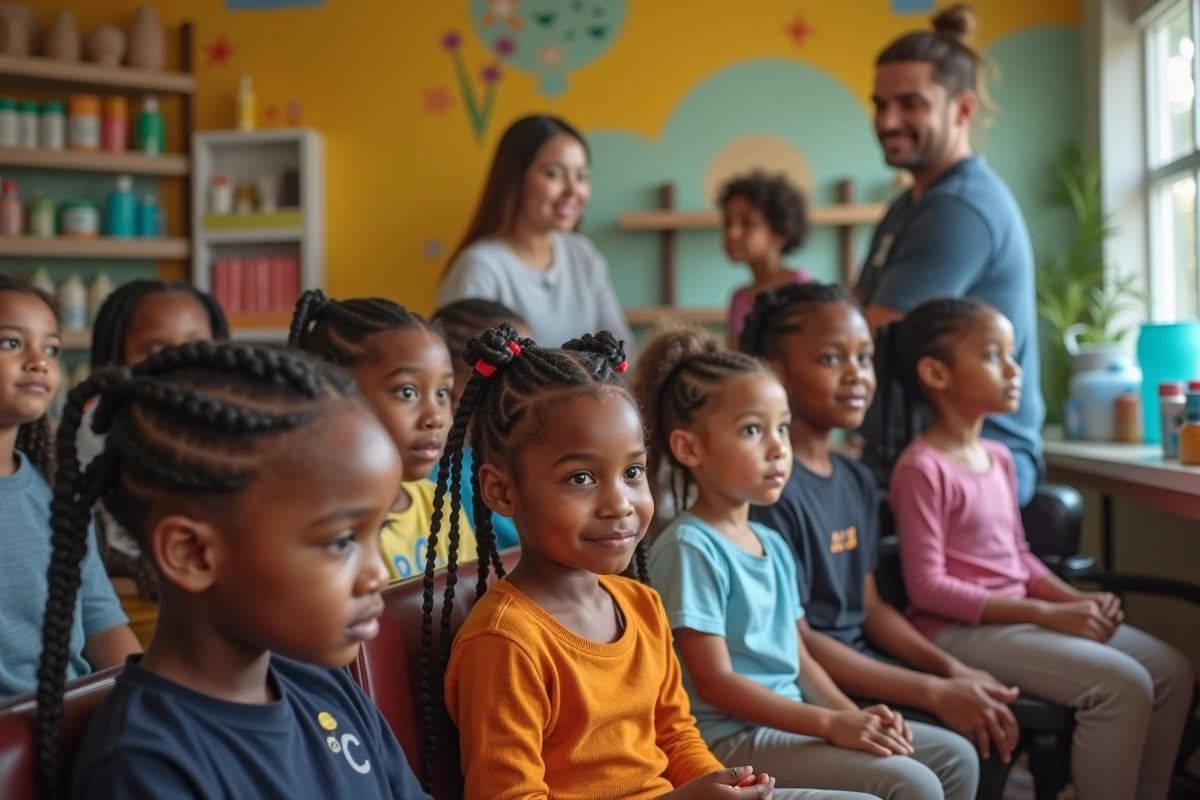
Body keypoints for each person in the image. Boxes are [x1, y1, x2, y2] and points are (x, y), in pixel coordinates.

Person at [35, 339, 430, 799]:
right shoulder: (146, 763)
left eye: (376, 533)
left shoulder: (320, 682)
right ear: (193, 554)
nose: (377, 574)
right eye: (341, 541)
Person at [423, 324, 793, 799]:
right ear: (502, 490)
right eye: (580, 478)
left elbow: (676, 737)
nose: (619, 504)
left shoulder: (641, 604)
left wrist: (720, 781)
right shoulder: (506, 644)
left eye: (633, 472)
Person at [637, 326, 974, 800]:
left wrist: (851, 717)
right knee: (911, 781)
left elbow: (799, 656)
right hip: (731, 739)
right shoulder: (691, 546)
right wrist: (832, 723)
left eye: (782, 428)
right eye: (752, 430)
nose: (778, 447)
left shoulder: (771, 542)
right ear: (690, 448)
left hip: (790, 718)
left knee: (955, 756)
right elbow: (716, 684)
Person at [890, 298, 1195, 800]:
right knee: (1122, 686)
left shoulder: (999, 457)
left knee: (1171, 672)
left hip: (1020, 617)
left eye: (1013, 355)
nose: (1014, 369)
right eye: (993, 356)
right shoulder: (921, 468)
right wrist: (1048, 615)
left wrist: (1070, 599)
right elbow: (928, 587)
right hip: (960, 631)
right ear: (935, 373)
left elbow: (1018, 556)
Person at [740, 283, 1020, 769]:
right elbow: (799, 640)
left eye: (864, 358)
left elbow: (870, 607)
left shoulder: (855, 476)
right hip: (813, 680)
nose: (856, 376)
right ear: (776, 370)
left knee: (983, 716)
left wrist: (953, 671)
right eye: (831, 359)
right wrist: (935, 692)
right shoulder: (769, 489)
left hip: (861, 659)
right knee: (957, 750)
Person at [854, 3, 1044, 506]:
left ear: (961, 110)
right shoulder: (908, 207)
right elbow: (850, 315)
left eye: (910, 104)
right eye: (880, 104)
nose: (888, 120)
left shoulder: (958, 209)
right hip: (913, 454)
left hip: (979, 461)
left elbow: (868, 338)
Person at [0, 275, 139, 701]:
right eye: (11, 343)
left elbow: (100, 619)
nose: (38, 361)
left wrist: (158, 699)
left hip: (71, 723)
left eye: (52, 349)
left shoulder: (56, 494)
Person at [289, 289, 475, 581]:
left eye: (442, 393)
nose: (435, 416)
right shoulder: (318, 525)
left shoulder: (440, 506)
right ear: (335, 395)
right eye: (407, 392)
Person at [82, 279, 230, 645]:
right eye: (156, 349)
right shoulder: (98, 426)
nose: (179, 361)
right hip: (133, 621)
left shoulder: (237, 423)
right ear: (117, 357)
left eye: (196, 345)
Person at [437, 114, 635, 350]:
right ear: (515, 179)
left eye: (581, 176)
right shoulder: (479, 268)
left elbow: (622, 349)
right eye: (554, 174)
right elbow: (465, 369)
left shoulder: (582, 253)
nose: (573, 190)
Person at [429, 298, 532, 550]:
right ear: (455, 379)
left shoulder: (525, 454)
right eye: (512, 366)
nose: (530, 379)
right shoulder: (435, 475)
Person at [719, 172, 814, 347]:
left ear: (780, 233)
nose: (733, 233)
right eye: (728, 223)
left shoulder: (801, 288)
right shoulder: (739, 298)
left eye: (748, 223)